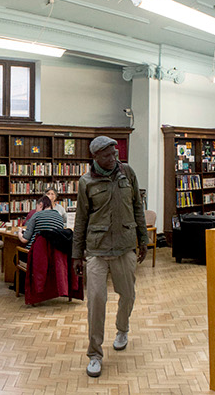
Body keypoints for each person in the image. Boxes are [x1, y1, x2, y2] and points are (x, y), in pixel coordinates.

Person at [74, 136, 147, 378]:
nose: (113, 158)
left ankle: (122, 329)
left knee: (127, 295)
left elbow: (138, 206)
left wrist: (143, 239)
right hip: (96, 249)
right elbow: (81, 220)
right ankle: (94, 354)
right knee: (96, 301)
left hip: (125, 246)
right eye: (107, 155)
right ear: (95, 157)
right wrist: (77, 255)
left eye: (114, 153)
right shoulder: (85, 182)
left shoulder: (127, 173)